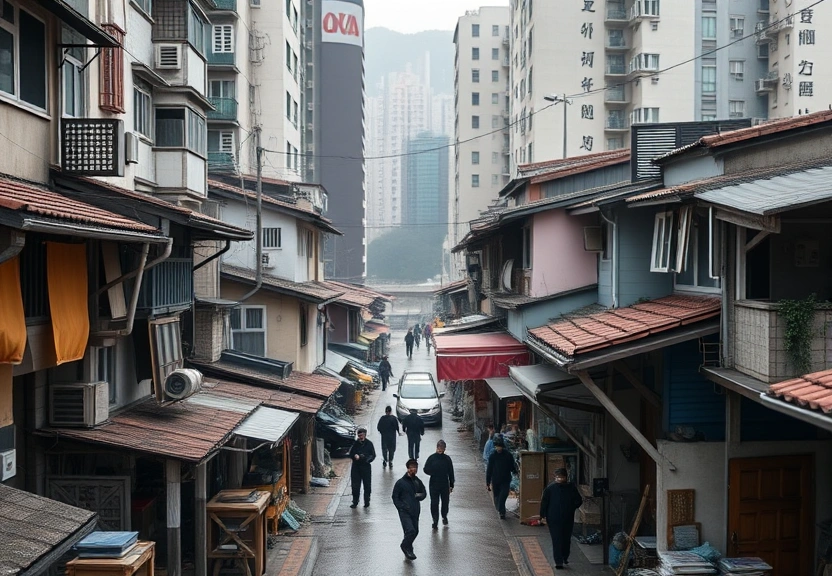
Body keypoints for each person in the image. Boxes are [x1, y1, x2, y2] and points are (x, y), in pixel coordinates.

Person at [540, 468, 583, 569]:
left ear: (565, 477)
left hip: (567, 518)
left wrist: (571, 508)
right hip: (553, 518)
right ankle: (558, 561)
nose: (559, 479)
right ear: (555, 477)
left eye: (562, 477)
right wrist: (542, 516)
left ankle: (564, 556)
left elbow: (579, 500)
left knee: (566, 539)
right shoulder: (550, 489)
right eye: (558, 477)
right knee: (556, 539)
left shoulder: (571, 488)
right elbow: (544, 503)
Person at [392, 459, 427, 561]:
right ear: (408, 468)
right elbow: (395, 497)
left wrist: (419, 496)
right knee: (410, 530)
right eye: (412, 467)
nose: (414, 469)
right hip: (404, 512)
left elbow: (424, 493)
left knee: (415, 531)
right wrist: (401, 507)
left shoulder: (418, 482)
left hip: (415, 511)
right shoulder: (400, 483)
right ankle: (405, 546)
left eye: (415, 467)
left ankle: (409, 550)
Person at [422, 439, 455, 529]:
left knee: (445, 502)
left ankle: (444, 516)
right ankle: (435, 520)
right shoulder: (432, 458)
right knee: (434, 503)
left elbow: (451, 472)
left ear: (444, 449)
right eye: (439, 448)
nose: (440, 450)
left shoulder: (447, 459)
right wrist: (432, 472)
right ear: (436, 448)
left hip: (444, 483)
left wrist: (451, 485)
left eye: (442, 448)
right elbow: (425, 469)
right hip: (434, 484)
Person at [485, 435, 516, 519]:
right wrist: (487, 482)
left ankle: (502, 511)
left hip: (506, 479)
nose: (499, 448)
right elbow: (489, 469)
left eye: (500, 446)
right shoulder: (492, 456)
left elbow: (512, 465)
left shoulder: (508, 455)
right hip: (495, 479)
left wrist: (514, 471)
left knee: (504, 494)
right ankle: (500, 509)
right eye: (497, 446)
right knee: (497, 496)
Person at [348, 428, 376, 508]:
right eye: (359, 435)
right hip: (356, 467)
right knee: (355, 485)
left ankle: (367, 501)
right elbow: (351, 453)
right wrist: (354, 456)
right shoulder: (355, 444)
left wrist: (365, 459)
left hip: (366, 467)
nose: (360, 437)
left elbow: (373, 455)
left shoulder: (369, 444)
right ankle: (355, 501)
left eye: (361, 435)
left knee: (367, 485)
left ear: (365, 435)